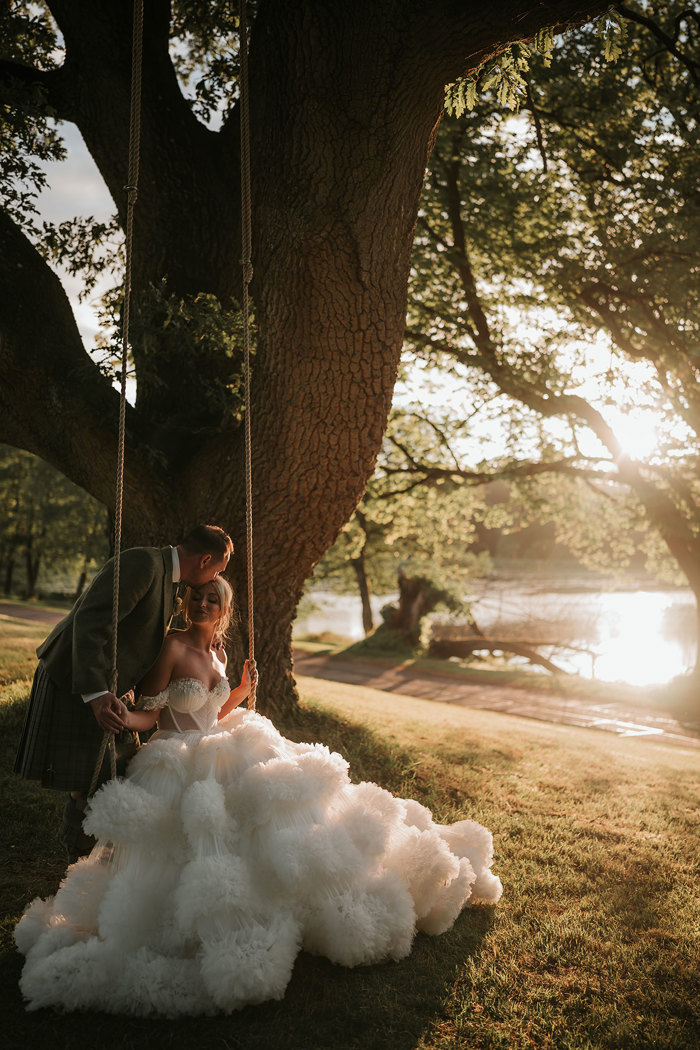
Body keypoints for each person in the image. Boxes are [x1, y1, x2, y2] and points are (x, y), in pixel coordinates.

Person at [14, 576, 502, 1017]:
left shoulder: (220, 654)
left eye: (213, 599)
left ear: (224, 610)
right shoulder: (173, 647)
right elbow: (155, 713)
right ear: (184, 602)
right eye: (197, 596)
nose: (202, 603)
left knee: (281, 815)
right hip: (176, 755)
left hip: (223, 738)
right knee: (196, 835)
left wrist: (242, 689)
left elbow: (212, 709)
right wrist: (126, 717)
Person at [14, 523, 233, 860]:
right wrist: (97, 693)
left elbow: (149, 630)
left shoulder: (168, 577)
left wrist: (208, 635)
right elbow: (90, 622)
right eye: (217, 570)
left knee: (109, 773)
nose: (210, 582)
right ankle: (76, 861)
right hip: (75, 676)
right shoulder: (144, 564)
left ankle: (83, 856)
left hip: (104, 683)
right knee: (90, 781)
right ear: (206, 560)